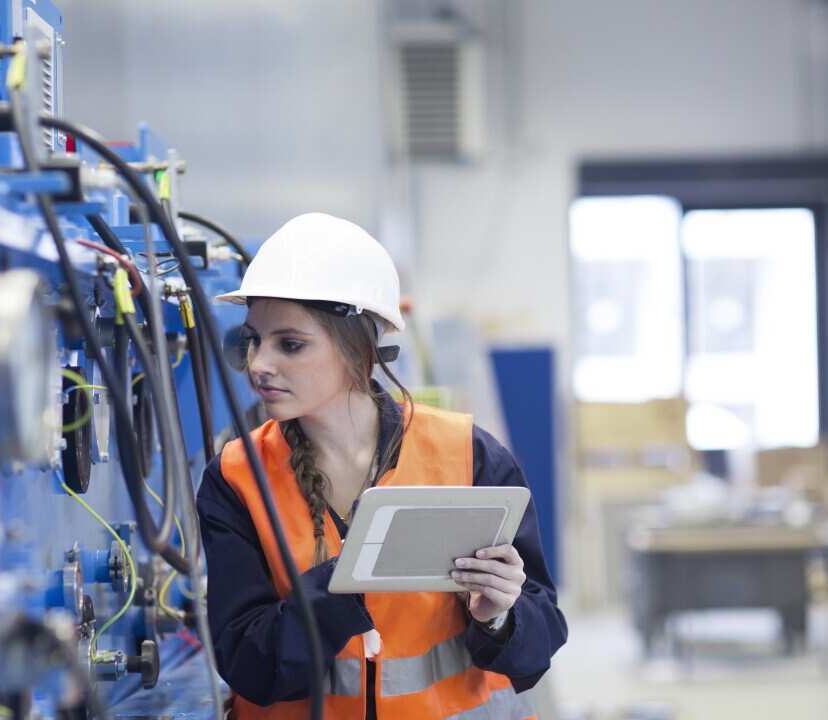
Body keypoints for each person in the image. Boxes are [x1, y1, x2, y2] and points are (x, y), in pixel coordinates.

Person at [197, 212, 567, 719]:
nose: (260, 363)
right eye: (253, 340)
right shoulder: (237, 477)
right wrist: (337, 590)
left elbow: (540, 641)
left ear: (360, 350)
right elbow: (248, 665)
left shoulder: (466, 455)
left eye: (290, 344)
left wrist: (500, 616)